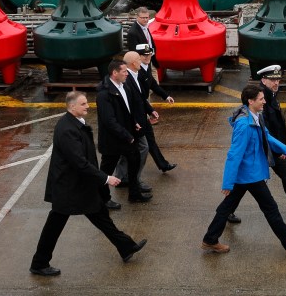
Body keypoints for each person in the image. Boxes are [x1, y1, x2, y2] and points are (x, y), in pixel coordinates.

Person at [30, 91, 147, 277]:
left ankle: (126, 247)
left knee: (100, 215)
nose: (88, 106)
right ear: (72, 107)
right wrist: (105, 178)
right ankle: (39, 263)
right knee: (55, 225)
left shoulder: (75, 124)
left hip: (80, 185)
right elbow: (79, 162)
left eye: (87, 103)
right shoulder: (67, 129)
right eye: (83, 104)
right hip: (69, 188)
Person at [201, 85, 286, 256]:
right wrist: (227, 182)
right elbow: (234, 155)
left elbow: (266, 137)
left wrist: (285, 149)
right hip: (250, 175)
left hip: (248, 174)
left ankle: (210, 239)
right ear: (250, 101)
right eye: (261, 99)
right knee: (271, 209)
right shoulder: (244, 125)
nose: (264, 101)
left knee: (226, 207)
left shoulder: (255, 117)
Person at [227, 65, 286, 225]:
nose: (276, 82)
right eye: (273, 79)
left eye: (278, 79)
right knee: (247, 184)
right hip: (268, 148)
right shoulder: (262, 100)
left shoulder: (270, 95)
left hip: (273, 147)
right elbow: (264, 132)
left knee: (279, 179)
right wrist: (278, 151)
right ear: (263, 80)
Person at [96, 57, 152, 205]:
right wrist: (127, 136)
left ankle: (134, 193)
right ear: (115, 73)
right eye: (124, 71)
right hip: (113, 140)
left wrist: (134, 123)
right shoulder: (104, 94)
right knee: (107, 170)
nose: (127, 74)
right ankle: (103, 199)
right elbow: (109, 121)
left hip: (127, 135)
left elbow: (128, 110)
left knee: (134, 161)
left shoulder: (124, 86)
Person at [136, 43, 177, 173]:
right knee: (139, 144)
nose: (147, 57)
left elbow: (153, 84)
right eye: (144, 55)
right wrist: (150, 110)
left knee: (149, 139)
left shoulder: (146, 67)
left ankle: (163, 164)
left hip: (143, 107)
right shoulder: (137, 73)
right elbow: (139, 98)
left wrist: (166, 96)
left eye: (149, 54)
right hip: (138, 109)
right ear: (138, 56)